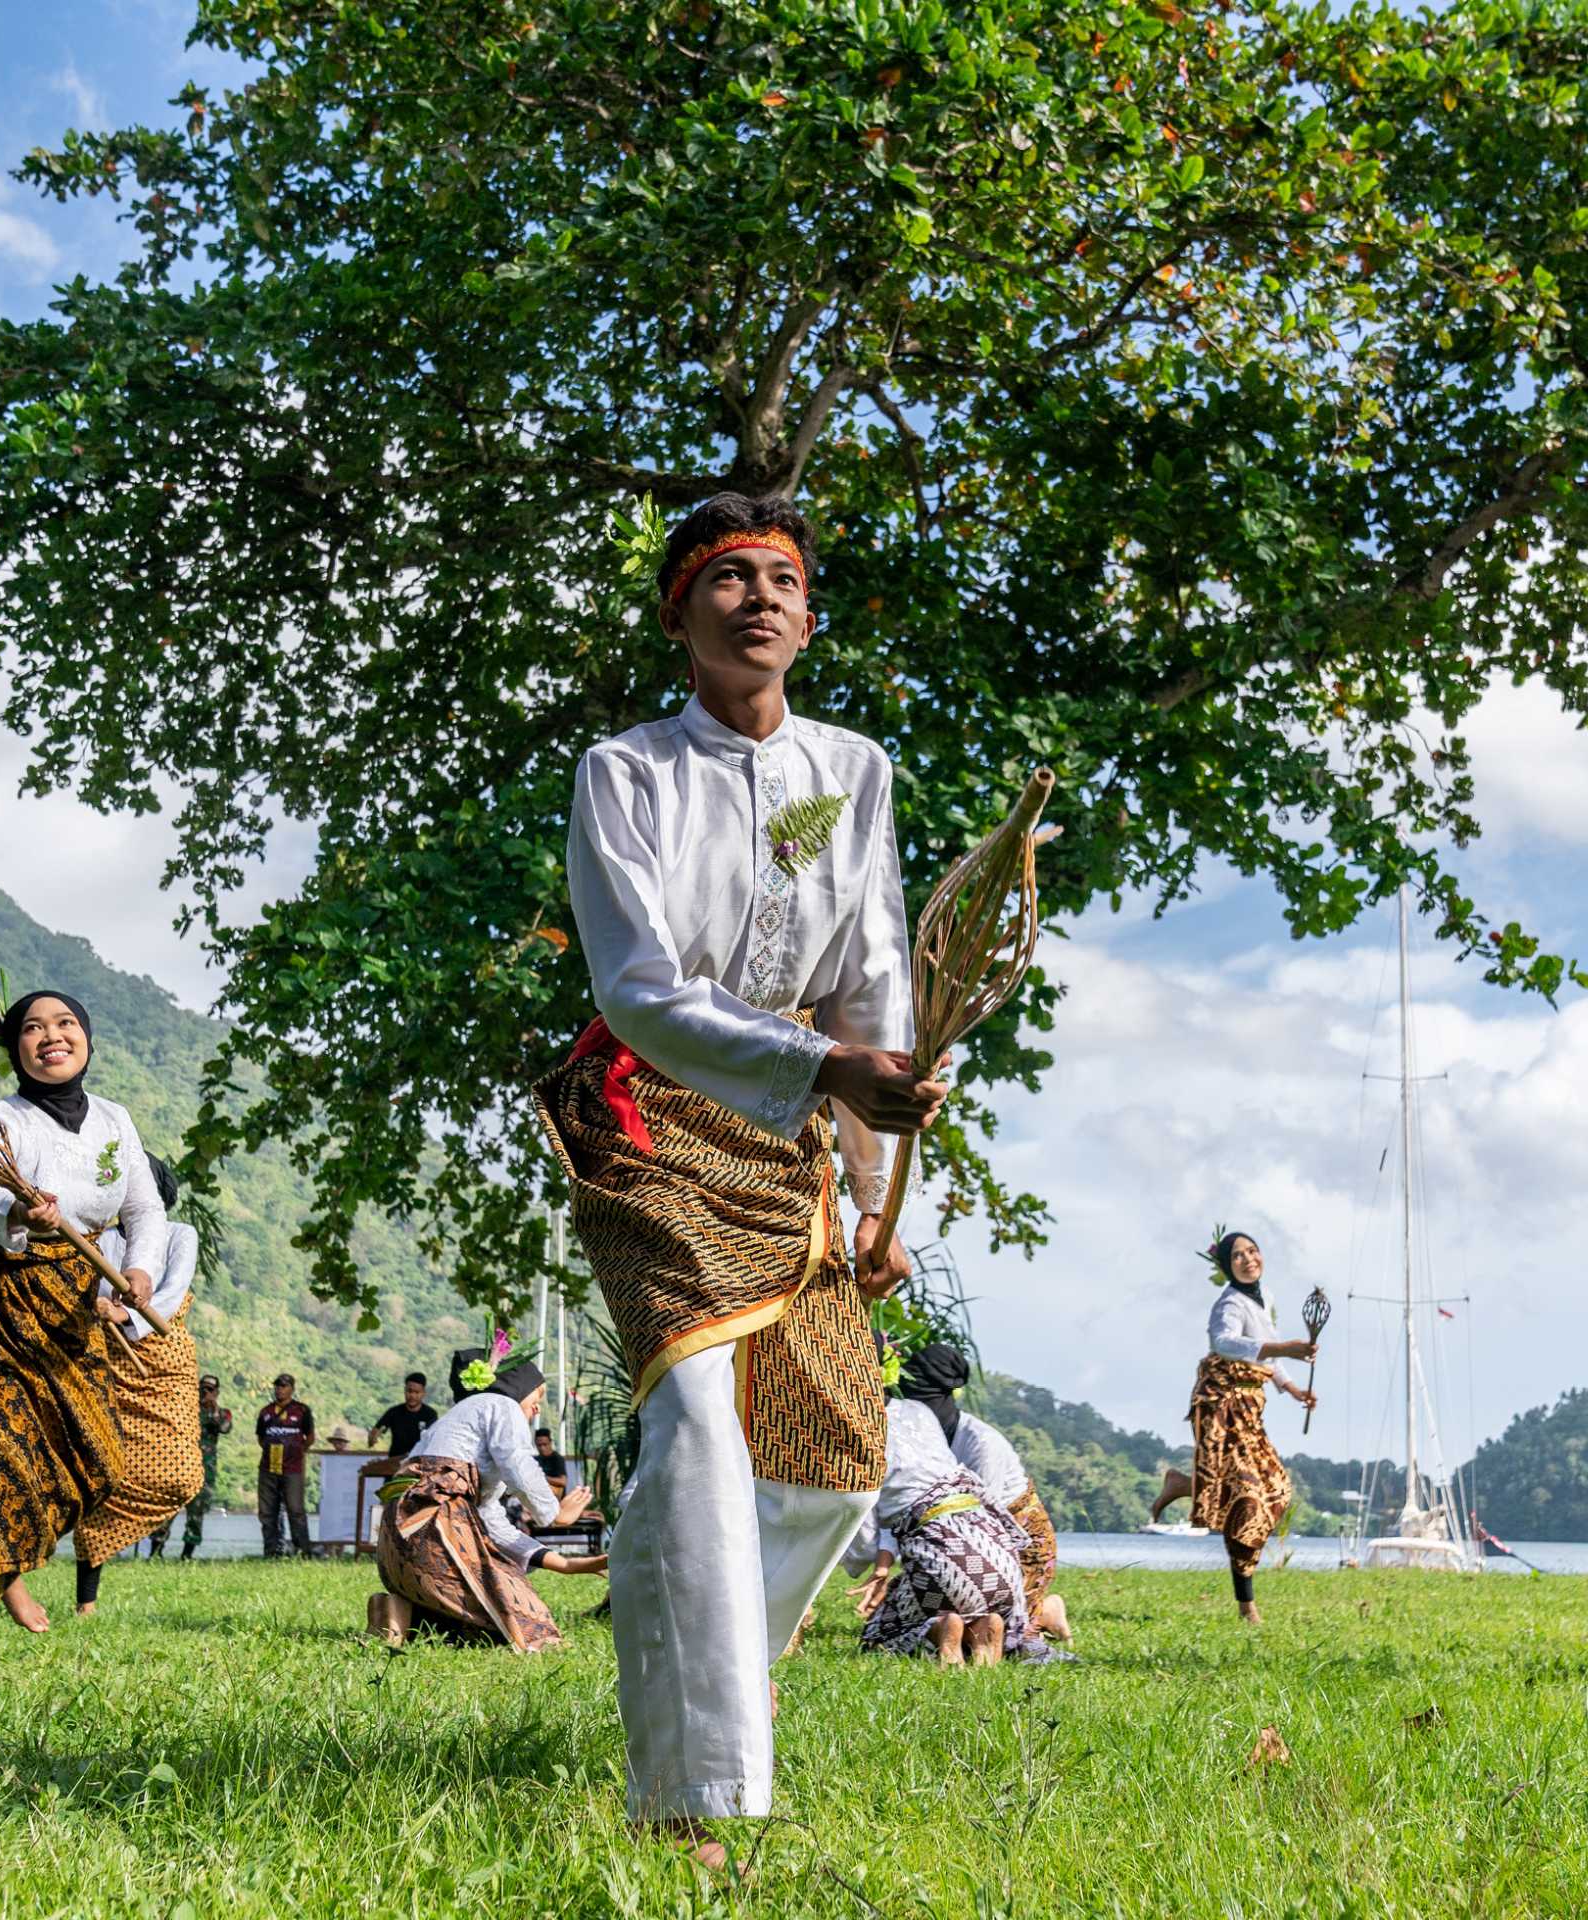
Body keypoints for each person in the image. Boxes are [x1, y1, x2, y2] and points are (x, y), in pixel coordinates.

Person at [533, 493, 944, 1865]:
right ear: (679, 615)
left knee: (834, 1468)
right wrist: (828, 1069)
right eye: (726, 578)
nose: (757, 597)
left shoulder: (858, 769)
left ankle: (715, 1669)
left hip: (797, 1143)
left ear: (809, 618)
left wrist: (882, 1196)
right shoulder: (625, 771)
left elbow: (876, 976)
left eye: (782, 579)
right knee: (703, 1431)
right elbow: (638, 988)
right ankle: (693, 1802)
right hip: (648, 1123)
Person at [0, 989, 157, 1675]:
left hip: (73, 1309)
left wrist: (140, 1270)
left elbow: (142, 1206)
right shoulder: (2, 1121)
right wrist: (21, 1206)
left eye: (65, 1024)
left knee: (95, 1460)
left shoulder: (115, 1119)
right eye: (33, 1028)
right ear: (15, 1048)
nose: (51, 1037)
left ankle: (8, 1570)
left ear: (85, 1036)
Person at [369, 1346, 603, 1649]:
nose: (537, 1409)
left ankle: (401, 1612)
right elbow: (519, 1466)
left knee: (467, 1619)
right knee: (529, 1619)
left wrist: (568, 1565)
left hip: (395, 1545)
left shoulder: (450, 1426)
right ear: (518, 1388)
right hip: (432, 1531)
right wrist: (556, 1514)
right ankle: (408, 1617)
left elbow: (491, 1520)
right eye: (538, 1398)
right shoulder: (501, 1405)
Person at [1152, 1231, 1316, 1624]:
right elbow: (1223, 1342)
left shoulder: (1265, 1298)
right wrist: (1285, 1348)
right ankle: (1247, 1606)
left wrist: (1292, 1388)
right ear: (1227, 1266)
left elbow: (1267, 1347)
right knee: (1246, 1498)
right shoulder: (1228, 1303)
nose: (1248, 1259)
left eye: (1252, 1251)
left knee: (1277, 1489)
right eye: (1238, 1256)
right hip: (1219, 1406)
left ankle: (1183, 1485)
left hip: (1249, 1405)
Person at [846, 1362, 1050, 1666]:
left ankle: (940, 1627)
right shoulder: (919, 1412)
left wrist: (860, 1561)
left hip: (942, 1563)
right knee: (967, 1599)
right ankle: (980, 1631)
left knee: (881, 1632)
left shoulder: (857, 1431)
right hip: (1003, 1564)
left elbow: (865, 1533)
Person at [72, 1154, 204, 1611]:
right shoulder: (101, 1240)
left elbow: (171, 1294)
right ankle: (85, 1599)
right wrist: (100, 1306)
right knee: (103, 1474)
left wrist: (126, 1312)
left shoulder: (179, 1234)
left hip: (164, 1366)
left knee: (181, 1475)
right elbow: (84, 1289)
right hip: (109, 1364)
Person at [905, 1343, 1073, 1645]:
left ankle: (1046, 1612)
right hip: (957, 1540)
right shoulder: (924, 1438)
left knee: (1002, 1639)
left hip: (1016, 1541)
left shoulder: (982, 1443)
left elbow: (985, 1520)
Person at [149, 1375, 232, 1560]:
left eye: (210, 1390)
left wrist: (213, 1407)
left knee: (196, 1514)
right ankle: (156, 1550)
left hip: (204, 1471)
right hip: (179, 1467)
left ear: (217, 1392)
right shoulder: (185, 1409)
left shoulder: (222, 1412)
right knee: (167, 1510)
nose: (205, 1392)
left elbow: (225, 1428)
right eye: (203, 1388)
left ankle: (187, 1555)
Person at [257, 1373, 316, 1557]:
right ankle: (271, 1551)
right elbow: (260, 1437)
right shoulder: (265, 1412)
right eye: (277, 1386)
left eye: (283, 1386)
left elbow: (310, 1437)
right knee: (267, 1512)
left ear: (291, 1388)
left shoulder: (302, 1411)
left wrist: (297, 1451)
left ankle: (303, 1551)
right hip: (268, 1468)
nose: (279, 1389)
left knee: (296, 1510)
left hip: (292, 1469)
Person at [368, 1373, 437, 1461]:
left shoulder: (430, 1414)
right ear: (405, 1391)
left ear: (423, 1393)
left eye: (416, 1392)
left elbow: (434, 1439)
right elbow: (377, 1430)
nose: (412, 1395)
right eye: (409, 1391)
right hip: (394, 1462)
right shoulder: (393, 1412)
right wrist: (373, 1438)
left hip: (419, 1462)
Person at [533, 1427, 570, 1504]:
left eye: (545, 1444)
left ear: (550, 1442)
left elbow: (563, 1481)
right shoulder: (535, 1460)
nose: (542, 1448)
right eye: (539, 1445)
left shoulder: (557, 1459)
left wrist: (542, 1477)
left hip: (554, 1500)